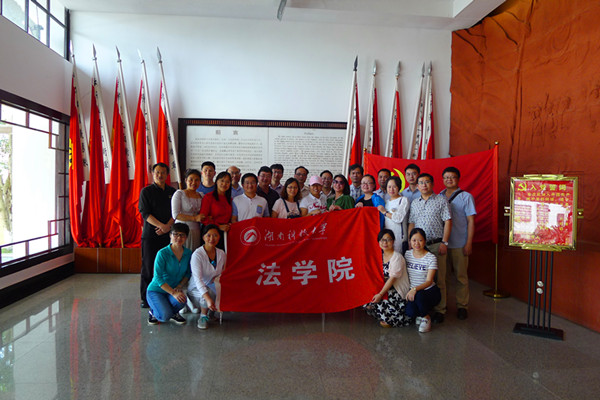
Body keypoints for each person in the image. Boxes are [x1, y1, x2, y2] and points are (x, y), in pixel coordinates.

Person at [408, 173, 452, 324]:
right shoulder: (415, 202)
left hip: (436, 244)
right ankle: (424, 308)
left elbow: (448, 221)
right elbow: (412, 223)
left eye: (427, 182)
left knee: (439, 278)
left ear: (432, 184)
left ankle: (440, 310)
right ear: (417, 186)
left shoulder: (441, 200)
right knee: (420, 278)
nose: (424, 185)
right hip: (418, 246)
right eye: (421, 182)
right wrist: (410, 242)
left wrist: (444, 242)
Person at [440, 166, 476, 320]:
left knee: (461, 277)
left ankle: (462, 306)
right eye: (446, 177)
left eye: (452, 177)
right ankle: (442, 305)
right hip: (443, 243)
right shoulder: (439, 196)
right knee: (443, 278)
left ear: (458, 179)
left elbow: (471, 221)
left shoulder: (466, 197)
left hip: (460, 243)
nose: (449, 180)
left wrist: (469, 243)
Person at [139, 162, 176, 309]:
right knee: (149, 267)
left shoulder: (172, 191)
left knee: (167, 267)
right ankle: (145, 298)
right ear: (153, 174)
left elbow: (175, 212)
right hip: (151, 235)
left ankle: (165, 295)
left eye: (163, 173)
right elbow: (145, 213)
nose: (160, 175)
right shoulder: (146, 191)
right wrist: (162, 226)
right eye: (157, 172)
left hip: (168, 235)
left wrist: (168, 227)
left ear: (167, 175)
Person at [146, 223, 192, 325]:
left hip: (173, 289)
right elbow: (158, 278)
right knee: (165, 316)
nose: (179, 238)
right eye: (175, 234)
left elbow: (188, 273)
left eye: (182, 235)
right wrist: (173, 293)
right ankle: (153, 312)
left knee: (182, 300)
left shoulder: (188, 253)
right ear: (170, 235)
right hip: (156, 290)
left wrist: (179, 286)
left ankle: (172, 312)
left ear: (186, 237)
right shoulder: (162, 253)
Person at [364, 229, 411, 327]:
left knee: (379, 299)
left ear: (393, 241)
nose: (385, 243)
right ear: (378, 242)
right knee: (367, 296)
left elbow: (392, 279)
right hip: (384, 287)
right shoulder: (380, 257)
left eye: (388, 240)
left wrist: (380, 294)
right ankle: (384, 315)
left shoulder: (397, 257)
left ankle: (393, 317)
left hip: (396, 291)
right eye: (382, 240)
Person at [187, 224, 226, 330]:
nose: (212, 238)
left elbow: (223, 271)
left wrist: (217, 277)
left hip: (211, 285)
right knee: (208, 292)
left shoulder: (221, 253)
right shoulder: (197, 255)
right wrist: (208, 298)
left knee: (220, 288)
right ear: (203, 237)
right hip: (196, 289)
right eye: (208, 235)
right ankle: (203, 316)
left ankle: (211, 314)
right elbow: (198, 280)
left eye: (215, 235)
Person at [404, 228, 442, 333]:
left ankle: (426, 317)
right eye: (414, 240)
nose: (417, 243)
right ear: (410, 241)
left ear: (424, 241)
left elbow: (429, 281)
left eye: (420, 240)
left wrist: (414, 289)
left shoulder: (431, 257)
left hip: (429, 291)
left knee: (420, 296)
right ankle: (421, 313)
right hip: (413, 291)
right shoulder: (407, 254)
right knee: (410, 312)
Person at [171, 169, 204, 252]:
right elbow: (175, 215)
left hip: (196, 230)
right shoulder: (179, 194)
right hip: (180, 231)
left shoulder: (201, 195)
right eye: (191, 179)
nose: (194, 182)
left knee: (193, 254)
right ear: (186, 180)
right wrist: (195, 218)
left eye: (197, 180)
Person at [199, 171, 232, 250]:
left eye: (227, 182)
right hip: (211, 233)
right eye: (222, 181)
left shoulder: (230, 199)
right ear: (216, 181)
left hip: (225, 232)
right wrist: (218, 226)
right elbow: (203, 218)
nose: (224, 184)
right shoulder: (208, 197)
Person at [378, 176, 410, 253]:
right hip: (387, 238)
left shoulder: (403, 200)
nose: (391, 189)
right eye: (389, 187)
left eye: (394, 187)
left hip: (399, 238)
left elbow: (398, 218)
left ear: (399, 187)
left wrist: (385, 212)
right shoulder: (386, 202)